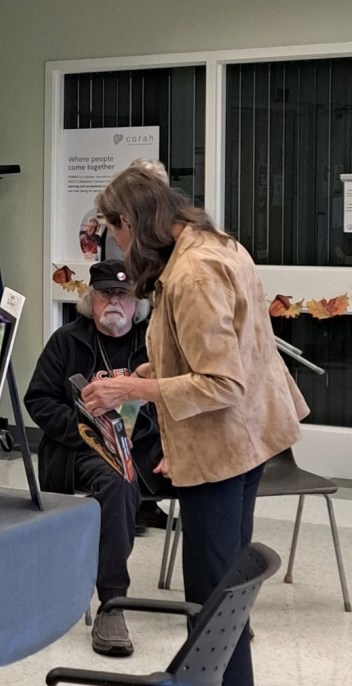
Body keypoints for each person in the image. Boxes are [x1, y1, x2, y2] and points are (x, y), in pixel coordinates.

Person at [83, 167, 309, 686]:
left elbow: (220, 382)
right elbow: (220, 347)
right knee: (226, 598)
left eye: (114, 232)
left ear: (129, 222)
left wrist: (130, 389)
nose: (118, 246)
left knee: (212, 603)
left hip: (221, 448)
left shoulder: (192, 274)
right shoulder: (214, 243)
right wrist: (154, 370)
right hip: (246, 439)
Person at [24, 259, 161, 657]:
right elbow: (38, 400)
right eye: (105, 294)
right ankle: (113, 604)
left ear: (138, 302)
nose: (114, 302)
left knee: (212, 479)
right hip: (83, 450)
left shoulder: (153, 342)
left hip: (146, 448)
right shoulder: (66, 341)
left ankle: (211, 604)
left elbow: (175, 400)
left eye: (123, 294)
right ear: (90, 300)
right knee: (118, 484)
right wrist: (86, 431)